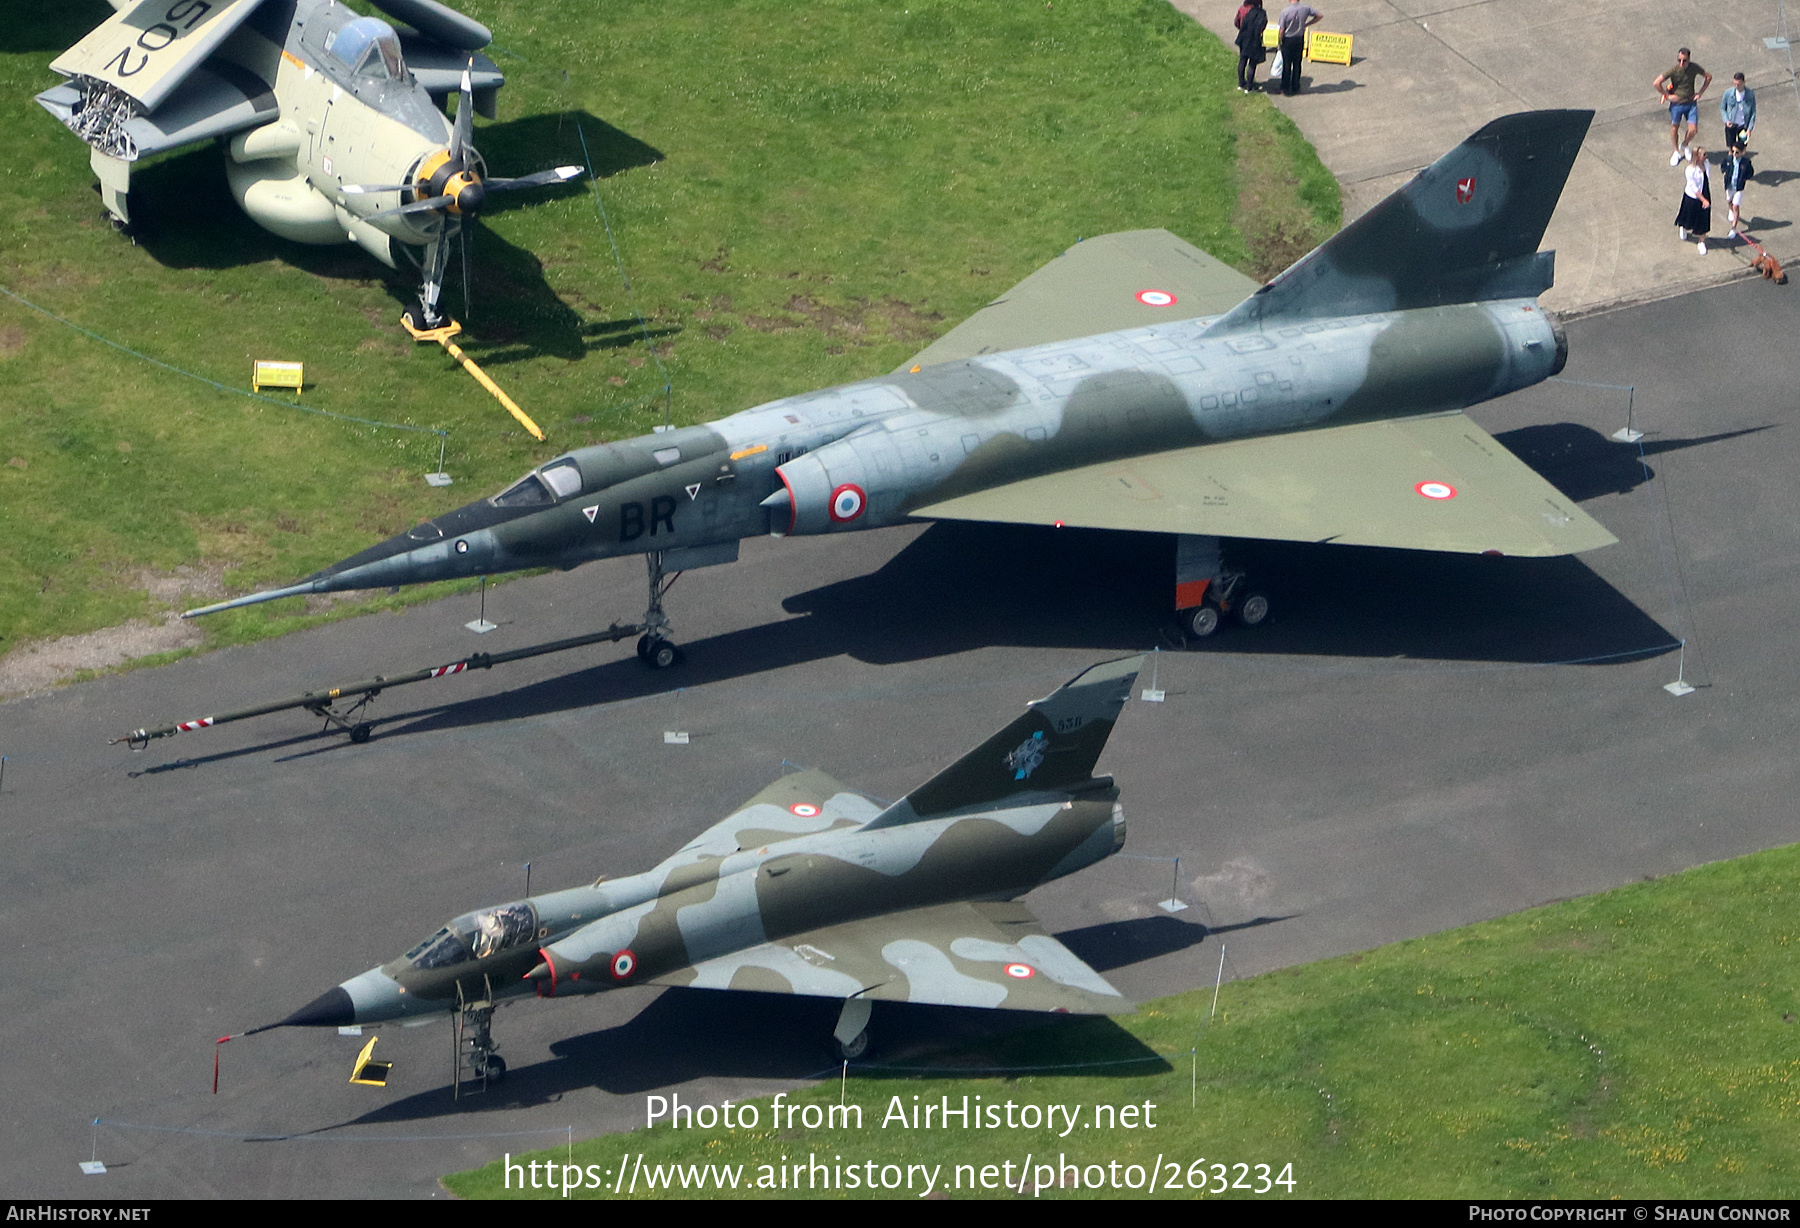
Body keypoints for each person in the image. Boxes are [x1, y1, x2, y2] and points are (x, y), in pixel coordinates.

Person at [1653, 48, 1711, 167]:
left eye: (1684, 61)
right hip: (1677, 104)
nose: (1681, 63)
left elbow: (1708, 77)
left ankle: (1684, 144)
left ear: (1689, 59)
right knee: (1675, 127)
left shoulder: (1694, 68)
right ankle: (1676, 151)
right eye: (1679, 60)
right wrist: (1667, 95)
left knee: (1693, 130)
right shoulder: (1674, 70)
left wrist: (1700, 93)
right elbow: (1656, 83)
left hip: (1690, 103)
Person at [1276, 0, 1322, 96]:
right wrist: (1307, 24)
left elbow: (1281, 30)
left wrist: (1279, 42)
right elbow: (1319, 15)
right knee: (1297, 64)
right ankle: (1295, 86)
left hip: (1288, 39)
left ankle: (1285, 87)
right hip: (1299, 39)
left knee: (1286, 64)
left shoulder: (1285, 11)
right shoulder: (1305, 8)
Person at [1676, 146, 1712, 255]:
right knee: (1688, 215)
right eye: (1704, 154)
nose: (1706, 156)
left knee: (1704, 218)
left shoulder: (1706, 164)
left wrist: (1706, 199)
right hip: (1692, 196)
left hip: (1705, 192)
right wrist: (1703, 200)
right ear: (1697, 156)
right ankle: (1683, 226)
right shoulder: (1690, 170)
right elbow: (1694, 188)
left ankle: (1701, 241)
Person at [1720, 140, 1755, 237]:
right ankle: (1731, 210)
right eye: (1733, 151)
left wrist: (1743, 178)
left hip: (1739, 188)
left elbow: (1750, 173)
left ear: (1743, 152)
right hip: (1729, 185)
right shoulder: (1729, 159)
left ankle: (1733, 228)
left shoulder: (1746, 162)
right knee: (1729, 200)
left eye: (1737, 152)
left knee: (1736, 206)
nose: (1735, 154)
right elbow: (1723, 166)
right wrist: (1724, 172)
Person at [1236, 0, 1270, 93]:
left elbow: (1242, 24)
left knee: (1242, 61)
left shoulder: (1249, 12)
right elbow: (1263, 26)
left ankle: (1241, 83)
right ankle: (1249, 86)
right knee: (1252, 64)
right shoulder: (1262, 14)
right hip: (1254, 40)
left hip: (1244, 38)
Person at [1720, 72, 1756, 152]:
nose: (1736, 86)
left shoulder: (1750, 94)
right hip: (1731, 125)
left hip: (1743, 126)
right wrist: (1726, 120)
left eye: (1738, 84)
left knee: (1742, 148)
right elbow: (1723, 108)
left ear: (1743, 82)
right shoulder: (1728, 93)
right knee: (1731, 148)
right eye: (1735, 84)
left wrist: (1749, 129)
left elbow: (1753, 112)